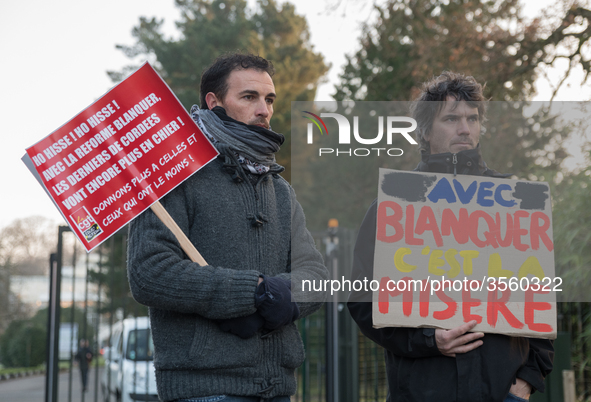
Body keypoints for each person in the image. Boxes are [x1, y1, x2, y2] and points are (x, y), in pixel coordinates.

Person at [127, 53, 327, 402]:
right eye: (249, 97)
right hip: (205, 390)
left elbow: (316, 274)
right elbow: (149, 272)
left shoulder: (280, 190)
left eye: (269, 99)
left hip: (279, 389)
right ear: (214, 101)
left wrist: (283, 296)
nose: (264, 109)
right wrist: (248, 292)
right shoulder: (174, 174)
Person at [347, 71, 554, 402]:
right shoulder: (396, 204)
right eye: (452, 118)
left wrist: (527, 379)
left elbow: (540, 297)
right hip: (422, 391)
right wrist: (429, 339)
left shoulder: (516, 202)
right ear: (426, 131)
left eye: (473, 118)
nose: (465, 128)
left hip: (503, 393)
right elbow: (361, 299)